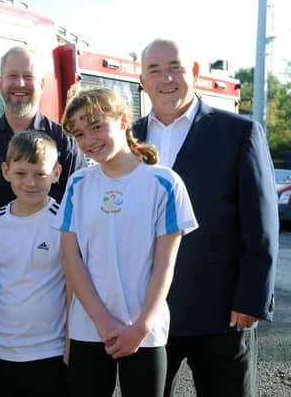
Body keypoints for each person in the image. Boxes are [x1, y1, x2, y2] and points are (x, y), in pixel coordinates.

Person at [133, 38, 278, 397]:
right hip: (144, 312)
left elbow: (262, 222)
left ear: (194, 73)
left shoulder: (239, 132)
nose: (166, 77)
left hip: (221, 311)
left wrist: (252, 298)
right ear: (142, 79)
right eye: (154, 69)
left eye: (175, 67)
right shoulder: (128, 139)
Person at [55, 87, 198, 396]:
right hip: (89, 329)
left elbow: (165, 264)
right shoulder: (77, 184)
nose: (89, 140)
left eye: (96, 126)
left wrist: (141, 327)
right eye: (79, 134)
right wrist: (102, 322)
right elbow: (71, 259)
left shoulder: (164, 183)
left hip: (144, 332)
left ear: (122, 121)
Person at [0, 130, 68, 397]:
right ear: (5, 171)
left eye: (40, 174)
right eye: (21, 173)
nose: (30, 182)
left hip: (49, 354)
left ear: (56, 173)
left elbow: (74, 293)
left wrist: (69, 351)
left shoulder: (64, 223)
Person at [0, 45, 86, 208]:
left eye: (28, 76)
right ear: (0, 83)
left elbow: (81, 205)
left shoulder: (65, 142)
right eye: (12, 76)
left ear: (41, 84)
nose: (20, 84)